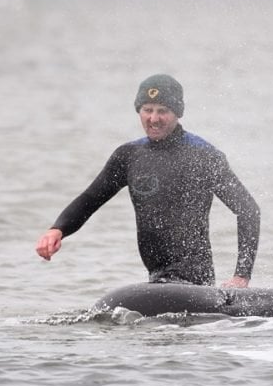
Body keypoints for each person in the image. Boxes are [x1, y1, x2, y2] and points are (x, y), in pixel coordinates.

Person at [35, 74, 260, 287]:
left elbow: (249, 210)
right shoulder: (129, 156)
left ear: (178, 113)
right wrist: (58, 230)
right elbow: (91, 199)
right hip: (156, 279)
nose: (154, 119)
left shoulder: (203, 156)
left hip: (195, 282)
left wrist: (241, 276)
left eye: (163, 111)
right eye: (147, 110)